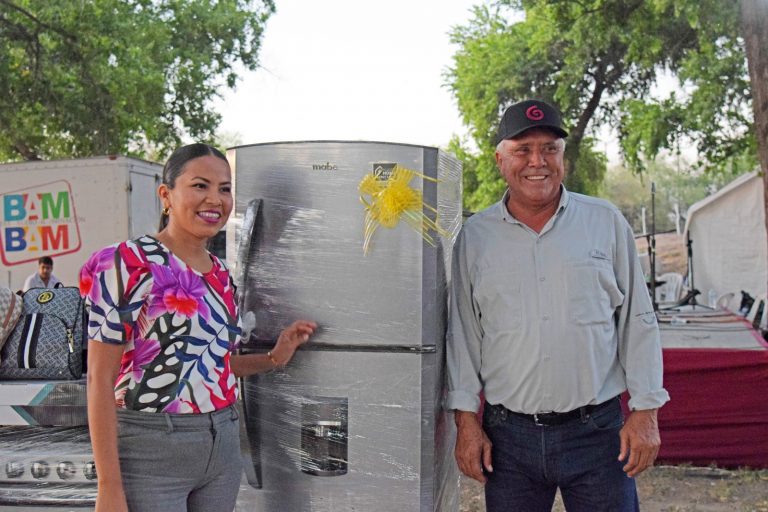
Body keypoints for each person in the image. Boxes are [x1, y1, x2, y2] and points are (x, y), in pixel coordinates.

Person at [446, 99, 670, 511]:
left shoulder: (604, 222)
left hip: (598, 436)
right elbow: (463, 333)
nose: (538, 161)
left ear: (564, 157)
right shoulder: (475, 238)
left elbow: (638, 321)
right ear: (500, 159)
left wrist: (646, 410)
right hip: (508, 440)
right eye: (523, 150)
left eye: (550, 148)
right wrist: (466, 421)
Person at [80, 143, 317, 512]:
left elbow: (208, 365)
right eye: (200, 185)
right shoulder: (126, 263)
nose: (215, 199)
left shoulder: (220, 273)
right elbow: (99, 378)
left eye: (224, 188)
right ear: (166, 195)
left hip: (221, 443)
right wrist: (109, 486)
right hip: (151, 449)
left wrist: (273, 357)